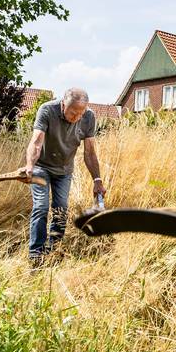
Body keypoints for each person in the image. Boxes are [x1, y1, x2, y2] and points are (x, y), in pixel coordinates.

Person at [20, 87, 106, 261]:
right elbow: (36, 143)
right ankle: (36, 254)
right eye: (73, 113)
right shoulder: (47, 110)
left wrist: (97, 180)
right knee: (41, 207)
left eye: (81, 113)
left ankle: (53, 249)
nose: (77, 118)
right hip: (41, 167)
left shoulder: (88, 117)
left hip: (64, 170)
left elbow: (89, 152)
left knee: (61, 209)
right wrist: (29, 166)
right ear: (62, 105)